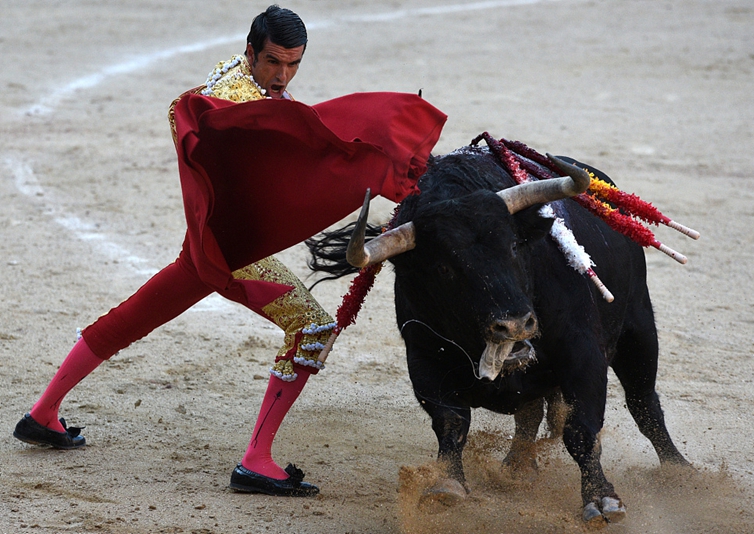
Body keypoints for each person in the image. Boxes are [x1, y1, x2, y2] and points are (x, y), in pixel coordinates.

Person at [13, 5, 446, 498]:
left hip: (207, 248)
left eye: (293, 65)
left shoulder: (245, 85)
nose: (282, 76)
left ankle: (42, 414)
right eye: (272, 63)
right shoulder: (237, 98)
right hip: (227, 253)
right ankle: (256, 460)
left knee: (134, 316)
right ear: (250, 52)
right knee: (312, 327)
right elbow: (198, 120)